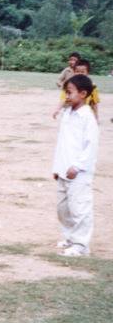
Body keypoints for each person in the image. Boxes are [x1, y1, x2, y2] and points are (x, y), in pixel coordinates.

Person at [52, 75, 99, 257]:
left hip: (79, 173)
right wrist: (57, 167)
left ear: (83, 93)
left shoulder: (87, 117)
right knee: (63, 209)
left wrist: (78, 166)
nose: (67, 96)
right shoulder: (68, 113)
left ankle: (81, 245)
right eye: (65, 92)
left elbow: (91, 146)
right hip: (63, 169)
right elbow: (62, 143)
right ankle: (70, 238)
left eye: (70, 92)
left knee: (80, 208)